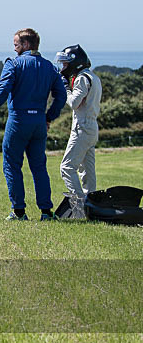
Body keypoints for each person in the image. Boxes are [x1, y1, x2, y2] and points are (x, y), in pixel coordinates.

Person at [0, 28, 67, 221]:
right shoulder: (50, 67)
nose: (14, 49)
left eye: (16, 45)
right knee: (39, 167)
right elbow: (61, 96)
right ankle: (46, 212)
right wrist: (48, 117)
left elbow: (3, 88)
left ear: (26, 44)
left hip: (18, 120)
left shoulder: (14, 64)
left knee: (11, 165)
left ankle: (19, 212)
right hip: (39, 123)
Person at [55, 44, 102, 216]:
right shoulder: (93, 77)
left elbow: (74, 103)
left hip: (82, 127)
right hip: (91, 127)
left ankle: (79, 208)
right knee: (87, 170)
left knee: (67, 167)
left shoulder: (82, 78)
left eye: (66, 64)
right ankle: (92, 206)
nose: (63, 68)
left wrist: (66, 88)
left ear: (76, 63)